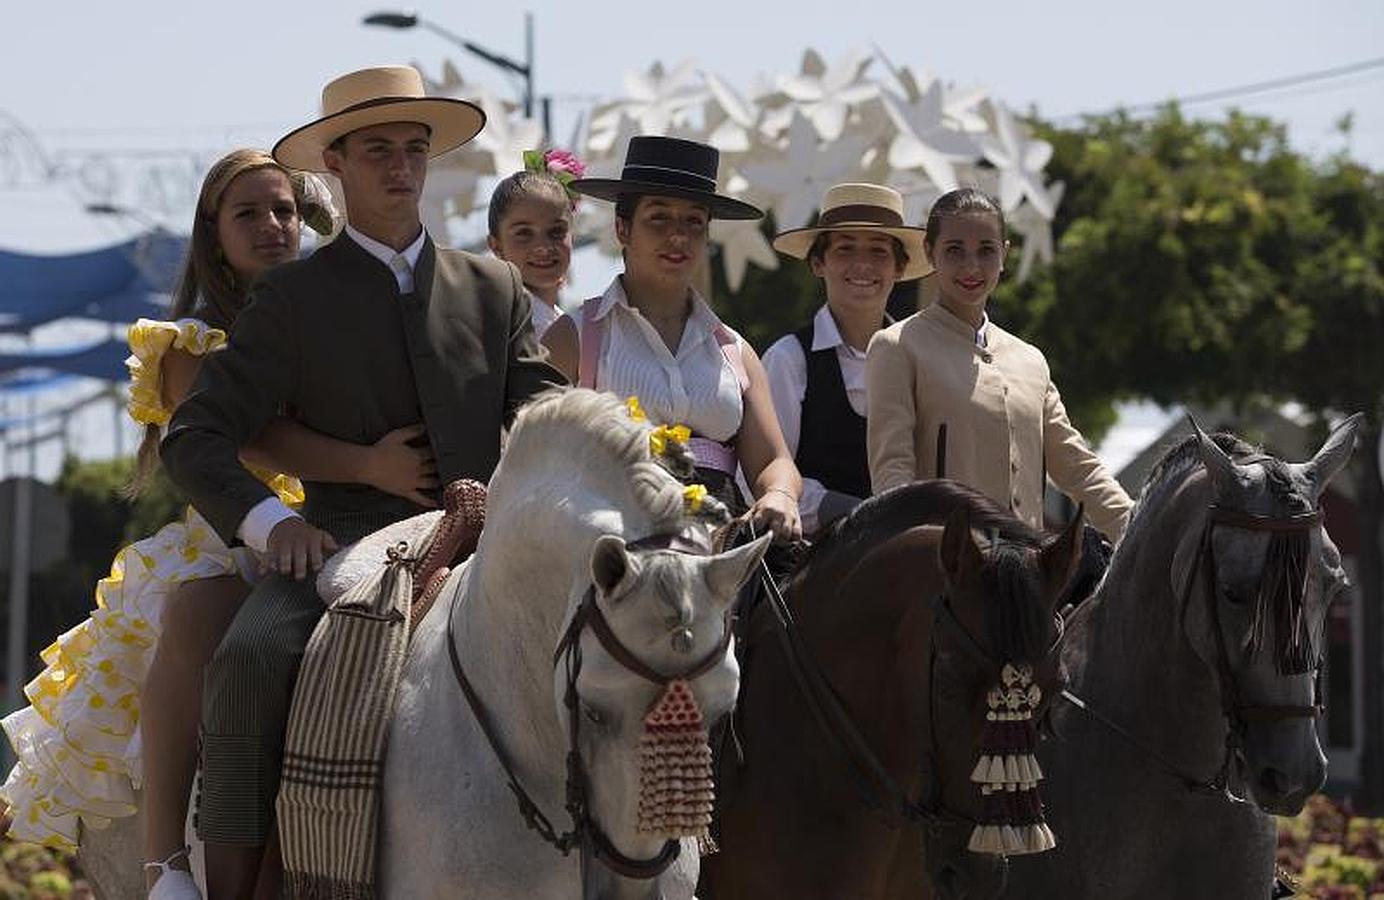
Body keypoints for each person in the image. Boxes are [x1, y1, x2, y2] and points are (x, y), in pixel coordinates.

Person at [159, 66, 562, 897]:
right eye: (376, 149)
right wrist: (276, 526)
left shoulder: (495, 287)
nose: (400, 167)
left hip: (490, 539)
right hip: (340, 547)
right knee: (248, 656)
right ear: (335, 166)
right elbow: (195, 437)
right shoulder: (290, 298)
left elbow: (542, 412)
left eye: (414, 149)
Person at [0, 148, 442, 899]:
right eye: (249, 214)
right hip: (238, 540)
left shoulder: (332, 316)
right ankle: (166, 864)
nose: (273, 226)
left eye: (285, 211)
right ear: (214, 236)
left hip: (343, 536)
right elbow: (254, 439)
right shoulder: (187, 345)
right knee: (194, 613)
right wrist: (370, 465)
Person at [542, 135, 801, 542]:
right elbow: (534, 460)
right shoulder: (573, 338)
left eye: (693, 222)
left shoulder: (734, 350)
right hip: (607, 548)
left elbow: (773, 460)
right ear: (622, 229)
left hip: (717, 544)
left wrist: (781, 494)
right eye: (659, 218)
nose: (678, 236)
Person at [866, 187, 1132, 541]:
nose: (972, 266)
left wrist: (1143, 528)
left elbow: (1076, 466)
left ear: (1004, 255)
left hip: (1029, 577)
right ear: (930, 253)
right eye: (955, 250)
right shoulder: (897, 346)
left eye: (986, 251)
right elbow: (892, 472)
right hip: (944, 574)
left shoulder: (1030, 359)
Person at [762, 182, 931, 535]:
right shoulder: (789, 359)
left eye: (879, 251)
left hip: (917, 560)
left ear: (899, 267)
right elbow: (760, 476)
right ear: (818, 263)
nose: (862, 264)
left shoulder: (924, 361)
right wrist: (856, 512)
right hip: (811, 569)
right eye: (845, 248)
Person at [486, 148, 584, 337]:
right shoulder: (497, 329)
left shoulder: (569, 324)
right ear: (496, 245)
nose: (543, 247)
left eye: (556, 231)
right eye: (524, 233)